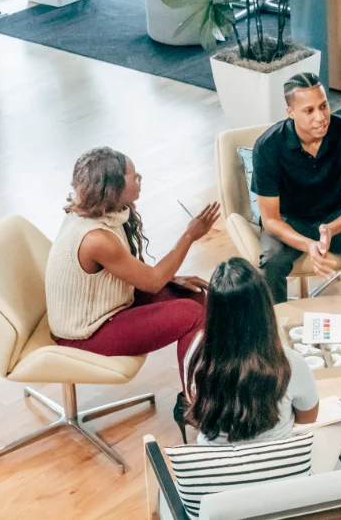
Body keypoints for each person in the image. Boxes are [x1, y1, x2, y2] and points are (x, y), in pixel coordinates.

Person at [45, 147, 220, 440]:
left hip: (107, 305)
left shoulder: (104, 214)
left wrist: (171, 278)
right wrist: (190, 235)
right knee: (191, 315)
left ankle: (203, 396)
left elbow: (130, 273)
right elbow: (151, 282)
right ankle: (197, 408)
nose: (139, 178)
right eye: (132, 175)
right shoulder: (96, 238)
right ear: (111, 186)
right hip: (84, 333)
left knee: (195, 297)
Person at [185, 258, 341, 472]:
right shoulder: (289, 362)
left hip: (217, 469)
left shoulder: (196, 353)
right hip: (277, 470)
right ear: (264, 309)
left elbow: (194, 400)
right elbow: (308, 417)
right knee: (338, 428)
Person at [252, 73, 341, 303]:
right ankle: (274, 330)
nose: (321, 117)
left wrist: (331, 229)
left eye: (323, 106)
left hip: (336, 215)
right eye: (309, 110)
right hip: (289, 220)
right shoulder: (267, 147)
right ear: (290, 112)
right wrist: (308, 244)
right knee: (271, 261)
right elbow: (271, 219)